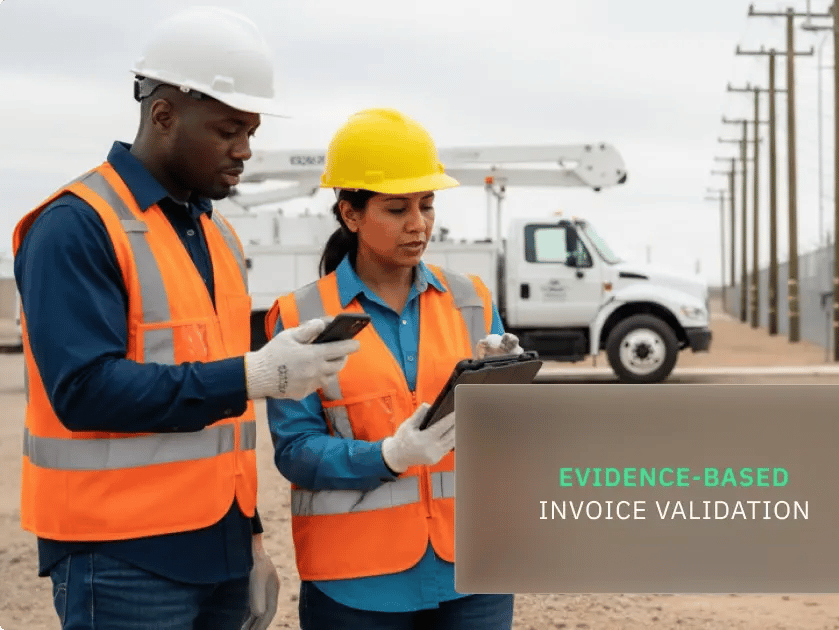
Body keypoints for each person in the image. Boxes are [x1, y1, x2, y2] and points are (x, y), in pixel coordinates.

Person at [12, 7, 359, 630]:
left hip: (217, 548)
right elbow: (83, 391)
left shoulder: (217, 233)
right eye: (229, 130)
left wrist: (250, 539)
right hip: (119, 558)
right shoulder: (76, 226)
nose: (245, 150)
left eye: (251, 131)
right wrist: (255, 375)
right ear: (164, 115)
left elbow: (222, 422)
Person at [263, 107, 521, 629]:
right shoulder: (300, 317)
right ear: (350, 214)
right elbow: (295, 450)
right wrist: (387, 456)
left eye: (427, 205)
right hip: (357, 583)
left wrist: (506, 395)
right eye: (397, 208)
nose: (418, 224)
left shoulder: (471, 300)